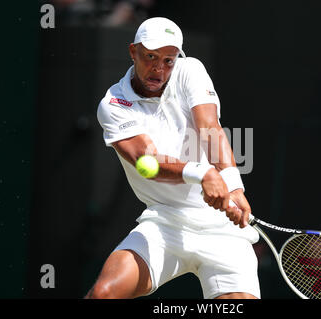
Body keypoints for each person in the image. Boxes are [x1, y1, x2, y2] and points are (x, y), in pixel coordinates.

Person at [85, 17, 260, 299]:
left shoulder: (190, 69)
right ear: (133, 52)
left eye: (168, 60)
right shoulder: (114, 104)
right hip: (165, 222)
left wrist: (233, 186)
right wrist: (202, 173)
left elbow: (209, 127)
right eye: (151, 57)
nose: (159, 68)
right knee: (105, 294)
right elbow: (147, 161)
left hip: (223, 231)